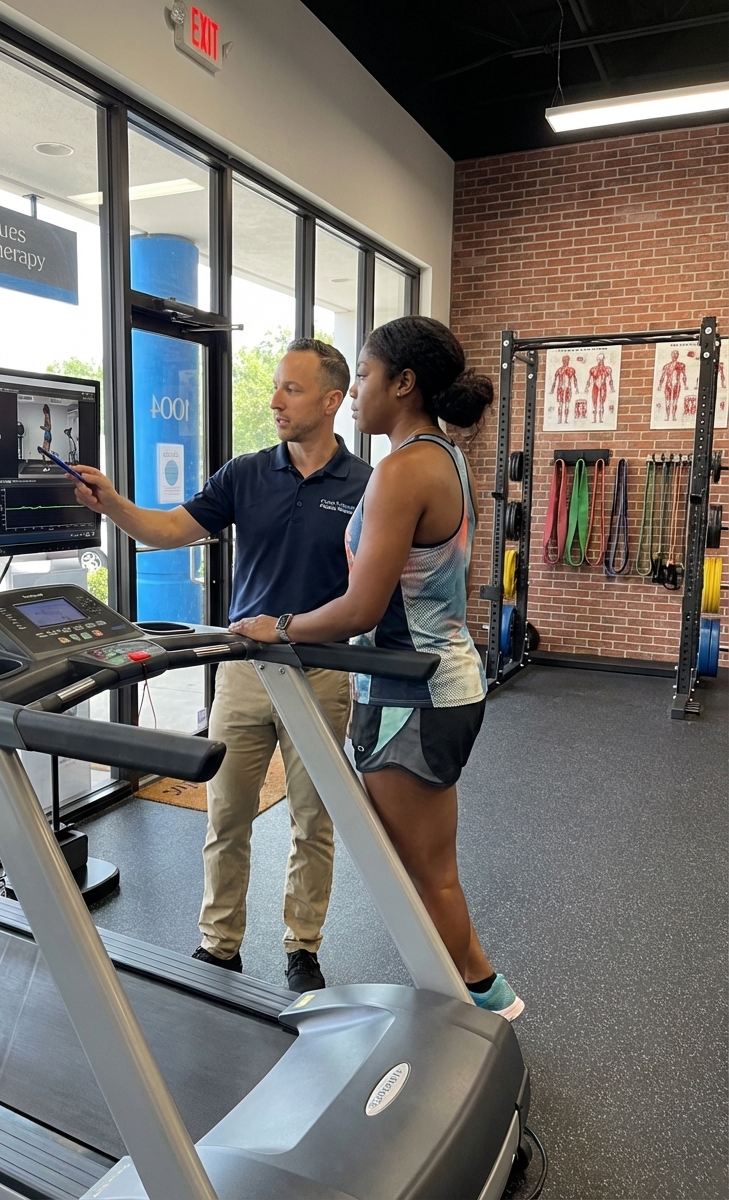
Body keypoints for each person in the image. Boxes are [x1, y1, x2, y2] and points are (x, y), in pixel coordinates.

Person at [230, 316, 523, 1019]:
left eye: (362, 376)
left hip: (413, 692)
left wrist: (281, 625)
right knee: (418, 871)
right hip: (433, 683)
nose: (355, 391)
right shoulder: (443, 456)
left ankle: (490, 1003)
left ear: (403, 382)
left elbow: (363, 607)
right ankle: (458, 1006)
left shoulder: (403, 469)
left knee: (425, 875)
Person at [72, 339, 371, 993]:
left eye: (290, 389)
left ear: (331, 399)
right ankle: (220, 943)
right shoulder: (246, 473)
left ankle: (302, 947)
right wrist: (114, 503)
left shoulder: (366, 487)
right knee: (225, 815)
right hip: (242, 671)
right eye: (275, 387)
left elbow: (374, 591)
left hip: (321, 673)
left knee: (312, 821)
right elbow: (168, 530)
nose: (273, 401)